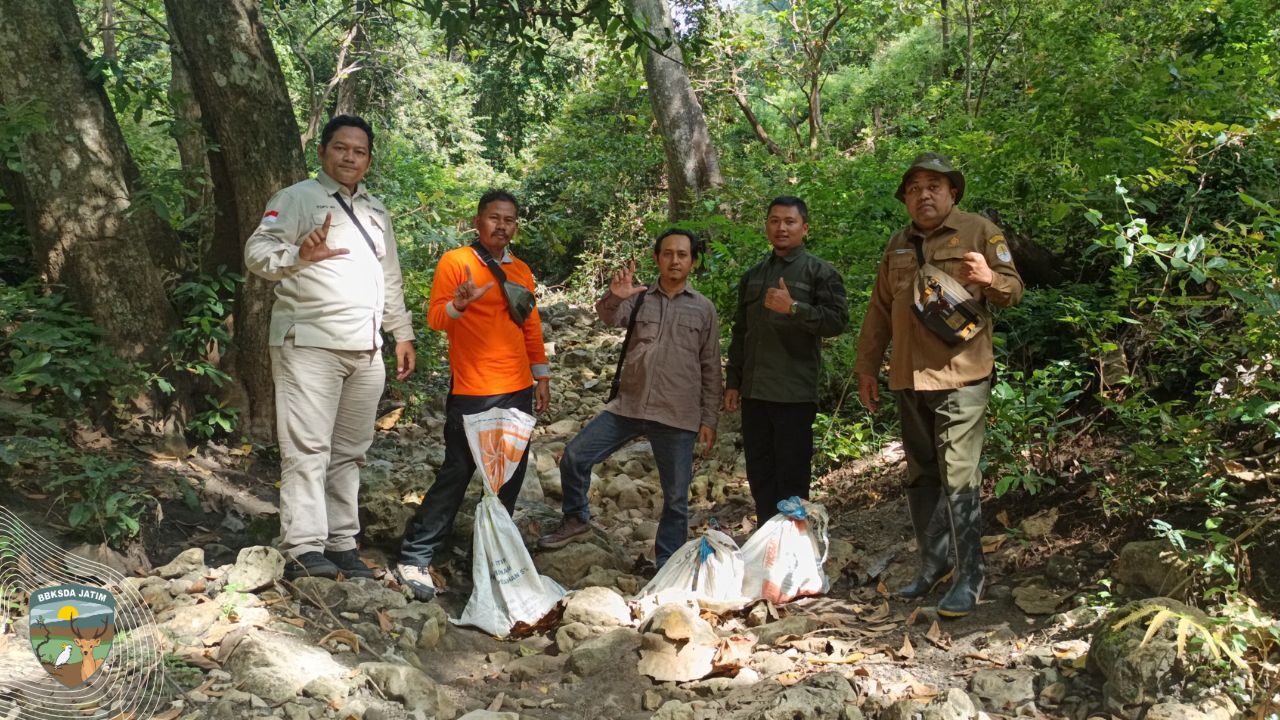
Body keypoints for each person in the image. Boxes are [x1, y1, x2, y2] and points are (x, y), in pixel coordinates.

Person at [245, 114, 416, 581]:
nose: (349, 158)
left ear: (368, 160)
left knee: (350, 451)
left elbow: (391, 278)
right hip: (310, 343)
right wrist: (299, 257)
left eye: (359, 152)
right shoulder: (298, 198)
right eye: (341, 148)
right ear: (323, 152)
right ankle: (303, 545)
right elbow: (257, 252)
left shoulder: (376, 211)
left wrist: (401, 333)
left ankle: (341, 542)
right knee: (307, 448)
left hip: (365, 348)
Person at [854, 153, 1024, 618]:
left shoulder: (978, 231)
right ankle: (934, 565)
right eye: (914, 188)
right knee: (921, 472)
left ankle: (970, 575)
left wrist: (990, 279)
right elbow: (879, 310)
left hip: (962, 374)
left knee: (959, 473)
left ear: (952, 193)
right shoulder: (897, 245)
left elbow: (1013, 288)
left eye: (934, 186)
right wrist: (867, 368)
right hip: (909, 376)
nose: (923, 195)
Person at [394, 190, 550, 601]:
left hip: (517, 388)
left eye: (510, 219)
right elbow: (435, 318)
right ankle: (415, 554)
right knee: (459, 471)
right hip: (473, 389)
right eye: (494, 218)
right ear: (478, 221)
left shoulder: (521, 270)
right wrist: (460, 306)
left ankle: (490, 557)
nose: (502, 225)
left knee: (509, 479)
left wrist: (542, 374)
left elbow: (529, 325)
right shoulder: (456, 262)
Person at [538, 230, 721, 568]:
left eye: (682, 255)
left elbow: (711, 368)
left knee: (677, 499)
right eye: (667, 253)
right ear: (657, 258)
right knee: (575, 456)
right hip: (630, 405)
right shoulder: (638, 298)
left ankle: (667, 564)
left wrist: (709, 419)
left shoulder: (703, 309)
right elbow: (607, 316)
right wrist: (613, 295)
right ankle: (576, 518)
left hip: (677, 413)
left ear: (693, 262)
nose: (675, 260)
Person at [724, 196, 849, 525]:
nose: (781, 227)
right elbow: (742, 332)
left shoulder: (819, 272)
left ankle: (794, 547)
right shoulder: (753, 276)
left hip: (794, 393)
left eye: (790, 221)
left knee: (792, 477)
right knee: (760, 475)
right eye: (775, 220)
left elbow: (837, 322)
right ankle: (767, 540)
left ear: (804, 228)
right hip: (755, 393)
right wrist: (733, 382)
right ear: (766, 226)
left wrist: (794, 308)